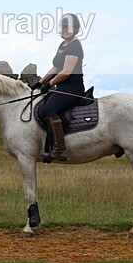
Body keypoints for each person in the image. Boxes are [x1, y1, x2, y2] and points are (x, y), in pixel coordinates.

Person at [33, 13, 85, 162]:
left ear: (76, 29)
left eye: (69, 27)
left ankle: (59, 148)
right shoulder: (63, 45)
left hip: (73, 87)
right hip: (62, 86)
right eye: (64, 26)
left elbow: (66, 72)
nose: (66, 30)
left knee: (48, 109)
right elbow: (56, 68)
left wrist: (49, 85)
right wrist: (40, 83)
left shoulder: (75, 46)